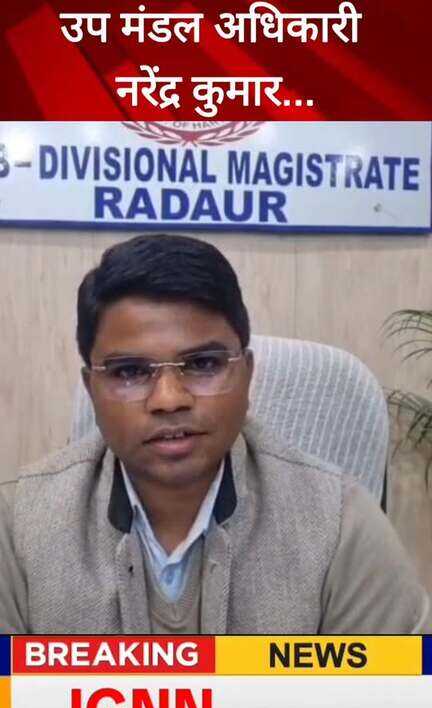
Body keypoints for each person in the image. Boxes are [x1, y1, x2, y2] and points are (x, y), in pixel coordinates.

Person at [0, 234, 429, 633]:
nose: (169, 399)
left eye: (203, 364)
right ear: (92, 388)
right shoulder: (19, 526)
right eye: (130, 371)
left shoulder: (339, 524)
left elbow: (394, 689)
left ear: (247, 374)